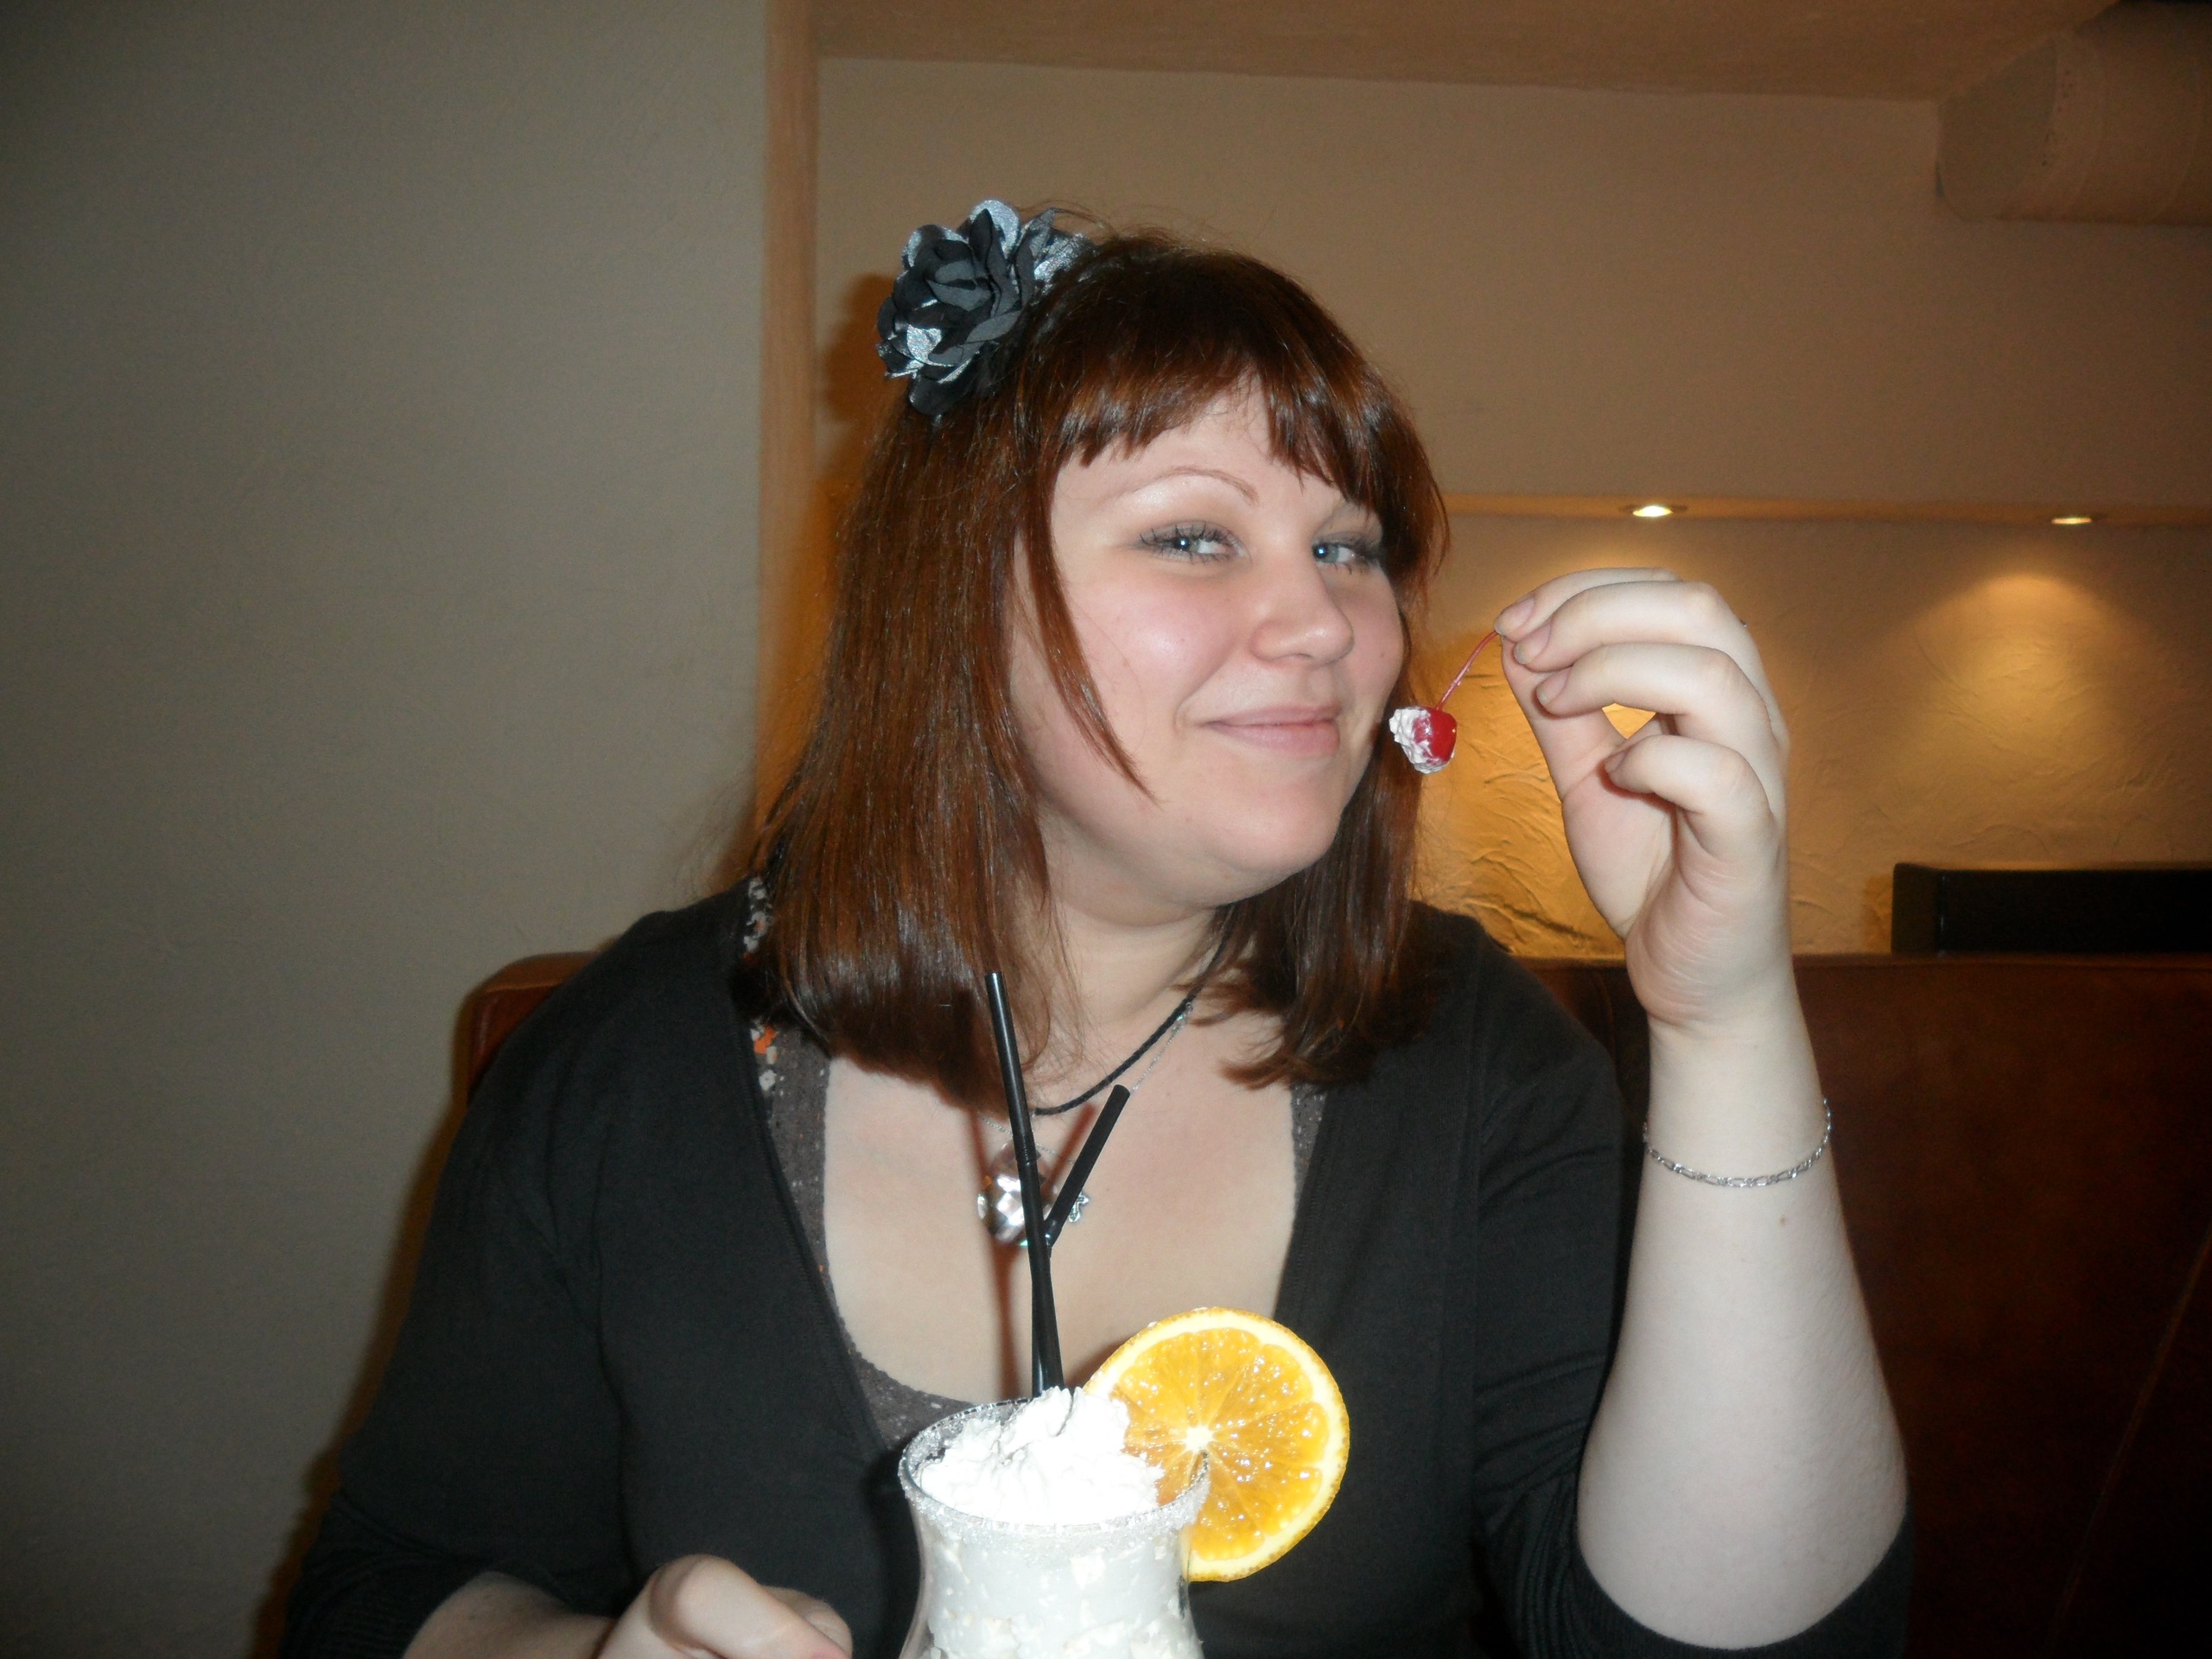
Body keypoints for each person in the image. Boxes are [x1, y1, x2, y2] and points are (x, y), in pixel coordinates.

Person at [284, 203, 1910, 1659]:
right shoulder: (634, 1065)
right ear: (951, 603)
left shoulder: (1474, 1062)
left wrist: (1724, 1016)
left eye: (1348, 547)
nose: (1325, 623)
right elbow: (392, 1584)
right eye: (1195, 536)